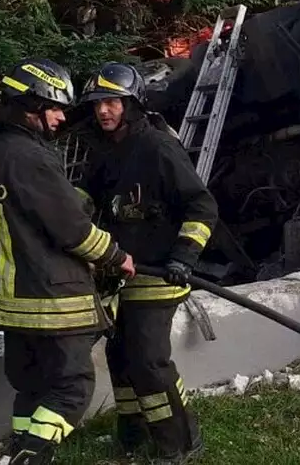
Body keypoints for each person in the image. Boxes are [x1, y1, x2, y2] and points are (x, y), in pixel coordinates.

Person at [0, 58, 136, 465]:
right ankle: (30, 458)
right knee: (72, 386)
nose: (60, 118)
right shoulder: (29, 158)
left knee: (31, 386)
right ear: (31, 106)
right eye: (54, 108)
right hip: (50, 298)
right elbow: (71, 228)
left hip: (15, 302)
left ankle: (18, 448)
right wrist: (116, 256)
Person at [76, 61, 219, 463]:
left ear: (133, 103)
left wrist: (184, 256)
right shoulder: (105, 150)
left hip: (160, 272)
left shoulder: (158, 147)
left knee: (148, 361)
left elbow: (202, 207)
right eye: (97, 103)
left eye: (112, 102)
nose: (103, 110)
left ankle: (180, 442)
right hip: (122, 272)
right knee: (120, 357)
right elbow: (85, 199)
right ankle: (133, 436)